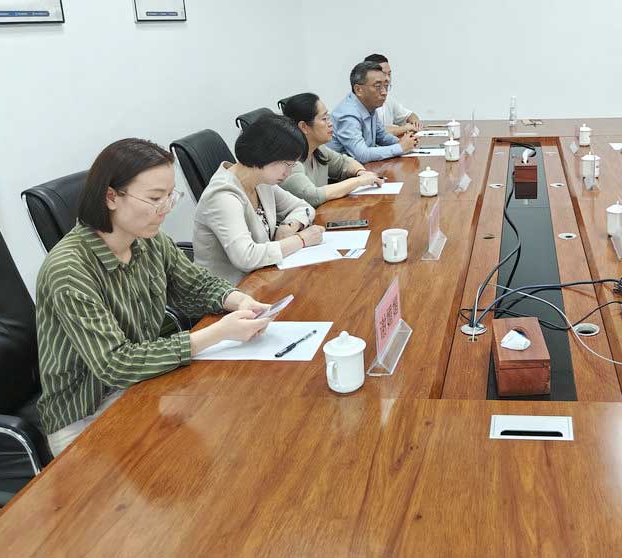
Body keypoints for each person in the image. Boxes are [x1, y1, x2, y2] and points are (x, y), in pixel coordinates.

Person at [36, 138, 275, 455]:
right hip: (85, 413)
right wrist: (218, 333)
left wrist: (238, 300)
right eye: (154, 198)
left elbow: (195, 285)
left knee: (237, 423)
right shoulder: (69, 270)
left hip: (144, 383)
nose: (165, 209)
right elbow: (116, 363)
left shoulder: (148, 239)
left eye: (169, 196)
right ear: (111, 197)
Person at [194, 114, 324, 284]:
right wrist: (301, 240)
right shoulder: (223, 196)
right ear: (266, 154)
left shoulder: (261, 181)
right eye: (287, 164)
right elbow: (246, 257)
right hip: (229, 290)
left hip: (263, 277)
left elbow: (303, 207)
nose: (288, 172)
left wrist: (289, 226)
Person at [280, 92, 384, 206]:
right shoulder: (289, 162)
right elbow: (312, 196)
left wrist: (361, 173)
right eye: (324, 119)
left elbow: (343, 163)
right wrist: (358, 181)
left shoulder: (319, 150)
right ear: (304, 127)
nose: (330, 124)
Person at [329, 60, 418, 161]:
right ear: (358, 90)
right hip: (342, 171)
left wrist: (404, 142)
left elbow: (381, 136)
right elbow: (362, 155)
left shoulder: (369, 106)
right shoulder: (347, 115)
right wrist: (400, 147)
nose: (384, 92)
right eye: (378, 87)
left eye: (386, 86)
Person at [366, 53, 422, 138]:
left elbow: (409, 115)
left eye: (389, 74)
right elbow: (376, 132)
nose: (388, 79)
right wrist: (405, 128)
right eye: (383, 74)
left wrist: (415, 123)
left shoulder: (387, 99)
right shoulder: (363, 101)